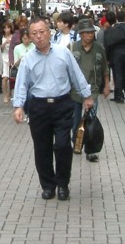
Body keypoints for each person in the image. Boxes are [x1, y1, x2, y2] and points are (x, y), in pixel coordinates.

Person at [13, 17, 93, 200]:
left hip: (62, 105)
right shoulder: (27, 60)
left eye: (42, 32)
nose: (39, 36)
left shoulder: (63, 53)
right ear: (30, 37)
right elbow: (21, 84)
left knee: (63, 145)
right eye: (34, 33)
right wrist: (19, 106)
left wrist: (86, 95)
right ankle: (48, 185)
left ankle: (63, 183)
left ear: (49, 32)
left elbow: (76, 75)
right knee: (42, 148)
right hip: (39, 107)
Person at [69, 19, 110, 161]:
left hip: (93, 90)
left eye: (91, 32)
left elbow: (105, 67)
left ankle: (90, 150)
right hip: (75, 91)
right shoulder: (73, 47)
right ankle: (77, 144)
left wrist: (107, 85)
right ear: (80, 34)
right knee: (75, 121)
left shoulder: (99, 48)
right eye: (86, 33)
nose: (89, 35)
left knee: (91, 120)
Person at [103, 10, 125, 103]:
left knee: (118, 75)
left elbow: (108, 45)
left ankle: (119, 96)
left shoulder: (112, 29)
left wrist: (108, 58)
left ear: (117, 18)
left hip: (116, 55)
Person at [0, 21, 14, 103]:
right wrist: (5, 42)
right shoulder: (1, 37)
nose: (7, 29)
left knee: (12, 78)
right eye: (5, 28)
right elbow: (0, 48)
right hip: (4, 57)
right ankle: (5, 95)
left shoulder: (14, 36)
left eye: (8, 27)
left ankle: (9, 94)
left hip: (12, 58)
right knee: (5, 77)